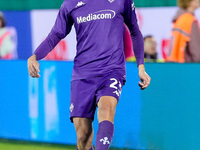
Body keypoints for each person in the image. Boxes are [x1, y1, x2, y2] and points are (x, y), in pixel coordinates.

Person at [27, 0, 151, 150]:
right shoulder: (70, 4)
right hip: (82, 74)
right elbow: (56, 34)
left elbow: (135, 31)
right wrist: (35, 56)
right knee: (83, 137)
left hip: (112, 70)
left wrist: (141, 67)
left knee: (106, 109)